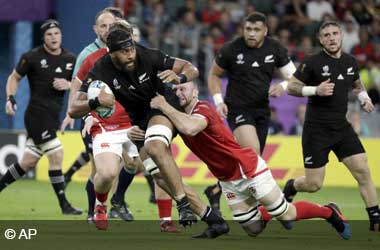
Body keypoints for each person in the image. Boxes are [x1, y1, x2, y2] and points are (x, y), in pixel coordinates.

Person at [68, 26, 228, 237]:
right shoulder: (101, 68)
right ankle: (213, 219)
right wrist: (95, 101)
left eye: (131, 48)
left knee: (155, 146)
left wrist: (179, 78)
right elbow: (73, 108)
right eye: (124, 51)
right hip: (140, 122)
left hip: (162, 107)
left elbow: (191, 68)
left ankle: (182, 204)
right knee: (161, 178)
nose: (130, 54)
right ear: (112, 52)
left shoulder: (148, 56)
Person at [150, 81, 351, 239]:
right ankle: (272, 204)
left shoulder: (203, 108)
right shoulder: (178, 117)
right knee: (253, 229)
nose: (179, 93)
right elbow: (165, 133)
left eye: (183, 88)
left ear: (195, 92)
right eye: (176, 90)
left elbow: (191, 128)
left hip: (247, 169)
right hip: (227, 179)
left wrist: (163, 106)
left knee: (287, 214)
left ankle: (328, 212)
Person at [74, 20, 179, 233]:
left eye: (128, 36)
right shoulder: (94, 61)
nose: (129, 47)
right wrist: (87, 114)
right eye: (105, 27)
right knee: (104, 173)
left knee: (151, 167)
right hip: (106, 126)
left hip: (135, 124)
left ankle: (161, 217)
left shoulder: (144, 57)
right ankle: (97, 207)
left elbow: (169, 78)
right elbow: (79, 98)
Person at [282, 21, 380, 232]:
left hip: (341, 127)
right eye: (326, 35)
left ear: (341, 35)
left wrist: (363, 97)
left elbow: (356, 82)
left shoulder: (350, 61)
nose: (332, 38)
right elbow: (291, 87)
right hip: (316, 130)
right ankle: (292, 186)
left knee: (362, 169)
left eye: (335, 33)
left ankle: (375, 218)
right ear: (321, 39)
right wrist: (315, 90)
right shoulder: (312, 61)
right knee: (314, 184)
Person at [206, 12, 297, 210]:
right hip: (237, 109)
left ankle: (216, 190)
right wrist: (218, 100)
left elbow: (294, 76)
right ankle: (272, 204)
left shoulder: (275, 48)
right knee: (253, 152)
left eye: (256, 30)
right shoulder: (231, 49)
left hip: (262, 111)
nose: (251, 34)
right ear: (243, 29)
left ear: (265, 31)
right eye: (248, 29)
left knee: (253, 162)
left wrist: (283, 86)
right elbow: (213, 74)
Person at [60, 7, 135, 222]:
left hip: (122, 120)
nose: (107, 29)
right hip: (95, 118)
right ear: (95, 29)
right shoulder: (88, 55)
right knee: (100, 168)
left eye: (110, 25)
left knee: (131, 164)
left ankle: (117, 202)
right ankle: (94, 211)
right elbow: (78, 89)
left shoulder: (125, 52)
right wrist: (75, 114)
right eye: (103, 26)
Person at [1, 19, 82, 215]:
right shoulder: (32, 57)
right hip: (37, 116)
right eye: (49, 34)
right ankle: (64, 205)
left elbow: (81, 85)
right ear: (43, 37)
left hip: (52, 117)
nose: (54, 37)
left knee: (27, 162)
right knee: (57, 155)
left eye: (56, 33)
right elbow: (14, 77)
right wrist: (10, 98)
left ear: (61, 35)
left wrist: (69, 85)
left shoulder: (71, 58)